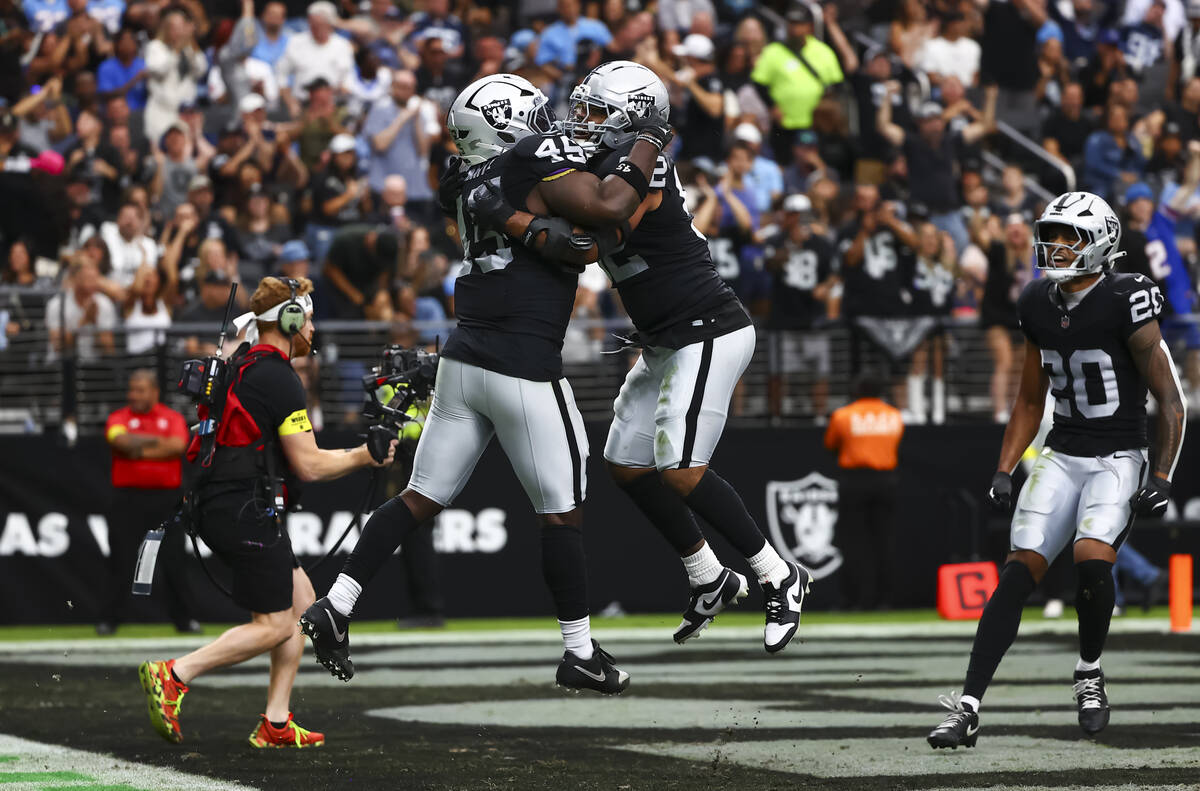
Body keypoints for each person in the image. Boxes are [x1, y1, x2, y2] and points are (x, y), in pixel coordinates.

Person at [300, 73, 668, 693]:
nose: (546, 121)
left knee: (417, 497)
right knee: (562, 512)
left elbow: (541, 224)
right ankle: (579, 650)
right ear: (506, 121)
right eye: (532, 111)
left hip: (465, 356)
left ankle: (335, 605)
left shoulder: (464, 178)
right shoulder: (530, 157)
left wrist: (541, 227)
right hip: (522, 360)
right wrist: (644, 146)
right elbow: (598, 218)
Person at [491, 62, 811, 651]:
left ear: (635, 120)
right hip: (665, 337)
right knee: (628, 464)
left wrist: (517, 217)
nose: (582, 123)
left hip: (707, 329)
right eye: (580, 110)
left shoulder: (647, 164)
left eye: (596, 114)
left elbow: (598, 237)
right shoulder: (602, 162)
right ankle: (707, 575)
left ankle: (779, 573)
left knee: (681, 467)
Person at [927, 191, 1186, 749]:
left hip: (1118, 454)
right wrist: (1003, 468)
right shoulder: (1037, 301)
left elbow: (1170, 398)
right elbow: (1027, 399)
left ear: (1101, 241)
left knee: (1092, 560)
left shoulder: (1127, 296)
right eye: (1053, 233)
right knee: (1018, 569)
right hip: (1062, 452)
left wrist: (1162, 476)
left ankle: (1088, 673)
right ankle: (968, 706)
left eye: (1070, 235)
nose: (1057, 245)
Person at [137, 276, 397, 749]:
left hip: (225, 501)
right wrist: (366, 455)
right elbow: (310, 464)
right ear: (290, 320)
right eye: (309, 318)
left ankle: (275, 722)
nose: (314, 330)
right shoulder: (278, 376)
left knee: (303, 604)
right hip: (243, 506)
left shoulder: (245, 363)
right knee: (276, 624)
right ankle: (174, 675)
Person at [101, 370, 197, 635]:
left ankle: (184, 620)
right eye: (131, 389)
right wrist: (157, 443)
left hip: (165, 500)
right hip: (127, 499)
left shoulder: (172, 418)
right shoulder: (118, 418)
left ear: (154, 391)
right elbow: (119, 441)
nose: (134, 395)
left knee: (175, 561)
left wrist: (138, 447)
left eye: (140, 389)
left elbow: (177, 446)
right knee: (120, 561)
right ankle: (110, 619)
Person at [824, 372, 904, 610]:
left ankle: (852, 600)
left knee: (852, 542)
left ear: (856, 391)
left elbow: (831, 444)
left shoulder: (843, 416)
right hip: (885, 480)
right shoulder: (894, 416)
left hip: (854, 480)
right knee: (884, 542)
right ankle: (885, 600)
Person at [763, 193, 837, 420]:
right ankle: (776, 417)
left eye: (802, 215)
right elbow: (770, 265)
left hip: (813, 315)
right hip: (784, 315)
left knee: (820, 372)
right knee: (777, 372)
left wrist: (826, 286)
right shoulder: (776, 240)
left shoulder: (822, 243)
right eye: (794, 214)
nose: (798, 219)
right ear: (786, 216)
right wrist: (792, 245)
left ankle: (819, 416)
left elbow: (834, 273)